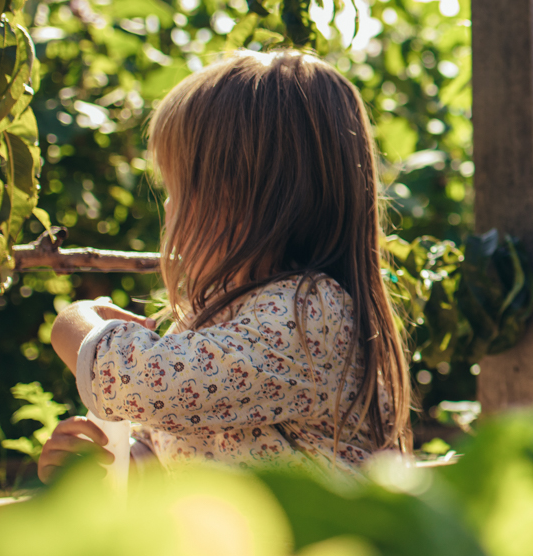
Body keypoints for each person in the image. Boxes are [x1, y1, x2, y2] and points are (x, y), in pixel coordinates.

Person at [37, 50, 412, 481]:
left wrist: (74, 323)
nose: (170, 206)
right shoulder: (217, 314)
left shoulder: (308, 314)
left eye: (178, 187)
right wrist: (117, 461)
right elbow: (189, 441)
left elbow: (134, 381)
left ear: (244, 200)